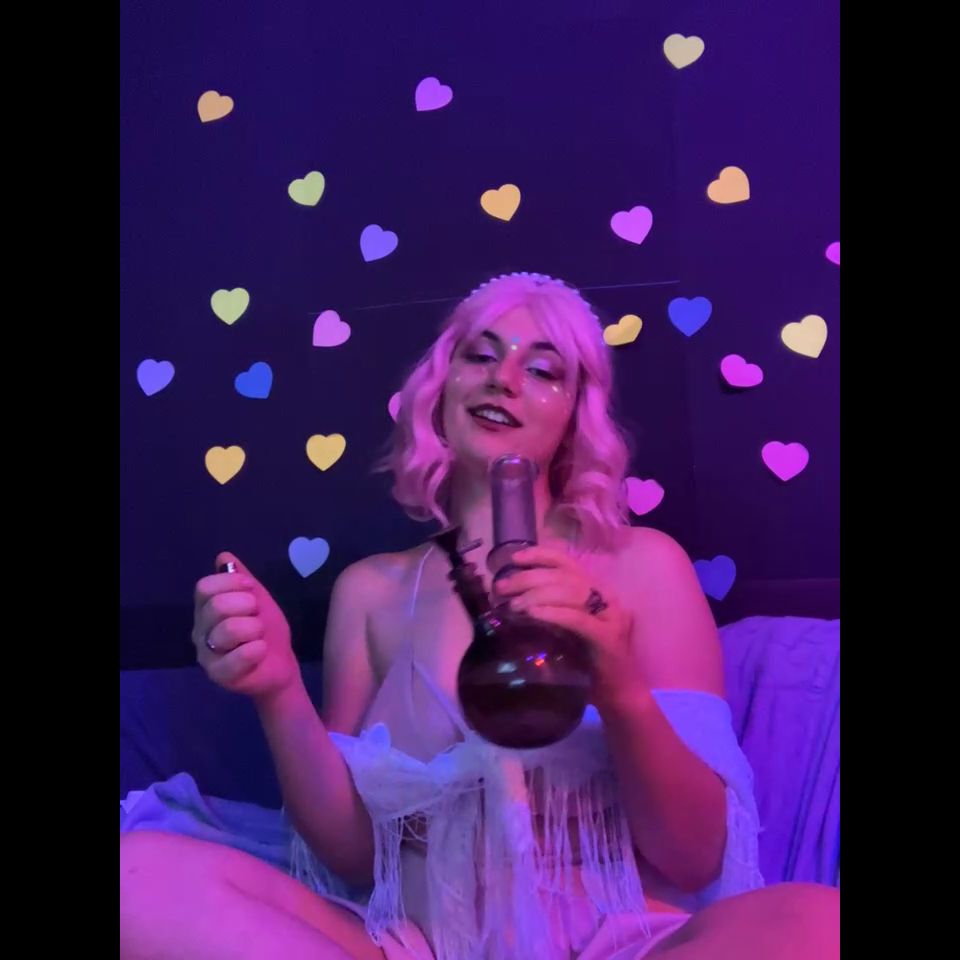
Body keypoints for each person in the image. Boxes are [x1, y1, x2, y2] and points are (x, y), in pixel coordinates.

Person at [120, 273, 839, 960]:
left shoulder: (644, 566)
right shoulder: (371, 592)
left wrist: (618, 685)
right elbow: (351, 858)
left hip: (619, 945)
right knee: (135, 881)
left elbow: (694, 854)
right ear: (442, 386)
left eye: (544, 370)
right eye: (481, 356)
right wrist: (277, 687)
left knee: (817, 926)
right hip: (409, 946)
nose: (505, 379)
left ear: (576, 414)